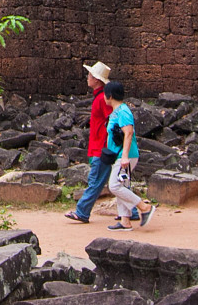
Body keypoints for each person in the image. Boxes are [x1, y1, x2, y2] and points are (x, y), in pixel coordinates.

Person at [65, 62, 116, 224]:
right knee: (113, 181)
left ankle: (82, 211)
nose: (87, 78)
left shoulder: (101, 99)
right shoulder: (100, 98)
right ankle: (134, 210)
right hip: (99, 145)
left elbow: (112, 119)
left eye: (90, 76)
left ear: (96, 80)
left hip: (100, 147)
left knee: (96, 180)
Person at [104, 79, 154, 230]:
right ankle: (125, 221)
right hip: (120, 154)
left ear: (110, 96)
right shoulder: (117, 112)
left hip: (125, 155)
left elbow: (129, 132)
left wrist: (124, 156)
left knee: (114, 186)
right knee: (122, 185)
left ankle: (143, 207)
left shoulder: (123, 112)